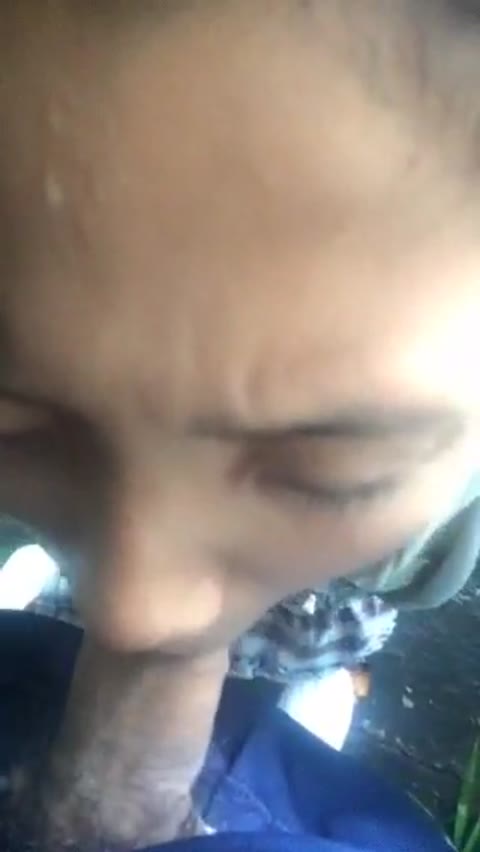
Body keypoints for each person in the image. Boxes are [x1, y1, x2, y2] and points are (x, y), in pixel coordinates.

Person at [1, 0, 480, 848]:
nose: (134, 612)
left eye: (333, 475)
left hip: (328, 591)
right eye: (12, 424)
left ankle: (312, 672)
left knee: (323, 623)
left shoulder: (422, 531)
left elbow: (418, 573)